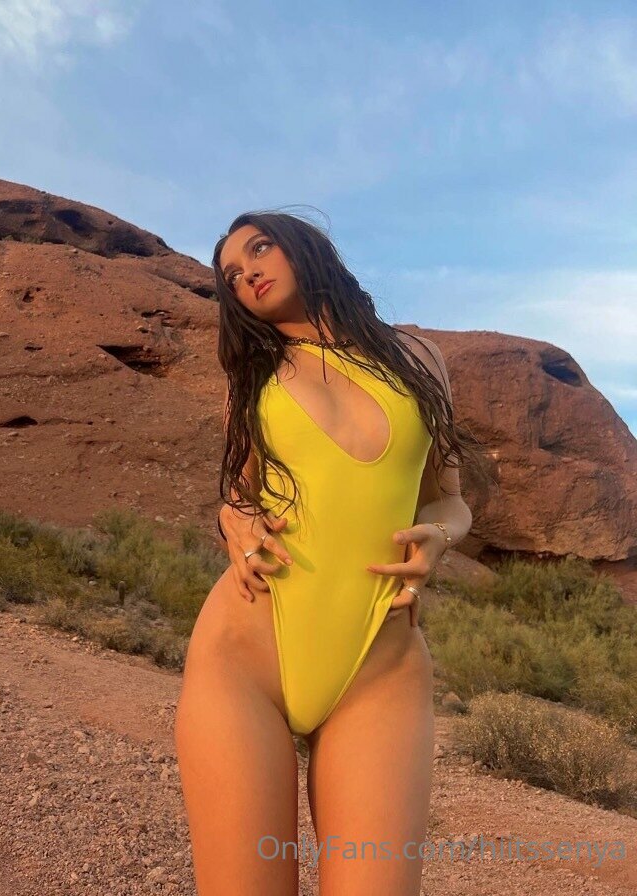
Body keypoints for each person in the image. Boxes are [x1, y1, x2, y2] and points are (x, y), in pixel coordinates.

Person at [174, 210, 481, 896]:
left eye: (259, 248)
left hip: (380, 663)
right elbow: (238, 499)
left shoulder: (418, 358)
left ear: (304, 247)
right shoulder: (254, 376)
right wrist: (234, 524)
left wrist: (439, 538)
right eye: (231, 274)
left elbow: (450, 500)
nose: (247, 272)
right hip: (245, 655)